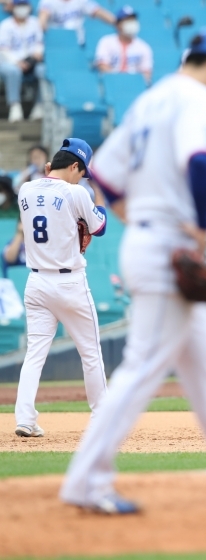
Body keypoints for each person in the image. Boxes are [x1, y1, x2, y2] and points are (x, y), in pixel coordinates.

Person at [59, 27, 206, 515]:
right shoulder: (195, 98)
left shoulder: (153, 98)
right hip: (171, 244)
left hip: (152, 238)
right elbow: (198, 160)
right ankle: (86, 482)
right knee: (143, 367)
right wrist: (195, 226)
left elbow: (103, 170)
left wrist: (132, 214)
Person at [14, 138, 108, 438]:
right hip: (69, 283)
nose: (82, 177)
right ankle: (101, 420)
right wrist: (99, 202)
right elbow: (99, 227)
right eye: (82, 172)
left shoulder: (25, 188)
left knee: (35, 352)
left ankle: (25, 418)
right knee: (91, 353)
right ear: (75, 166)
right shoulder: (76, 191)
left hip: (36, 282)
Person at [0, 0, 44, 122]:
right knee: (14, 71)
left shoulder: (35, 22)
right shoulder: (6, 25)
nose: (22, 7)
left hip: (31, 61)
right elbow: (3, 49)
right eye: (19, 5)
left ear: (29, 6)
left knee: (43, 70)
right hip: (9, 62)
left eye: (24, 4)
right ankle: (15, 106)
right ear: (13, 6)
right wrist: (17, 62)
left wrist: (36, 56)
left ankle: (39, 106)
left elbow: (39, 44)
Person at [38, 0, 115, 45]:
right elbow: (42, 19)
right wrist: (45, 30)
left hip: (77, 42)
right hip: (57, 43)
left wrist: (117, 22)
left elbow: (99, 12)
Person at [94, 6, 153, 84]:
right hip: (111, 84)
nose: (132, 23)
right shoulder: (106, 42)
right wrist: (119, 81)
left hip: (134, 86)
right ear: (118, 24)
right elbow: (103, 66)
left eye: (133, 20)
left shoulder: (143, 47)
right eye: (127, 20)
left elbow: (147, 73)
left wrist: (129, 83)